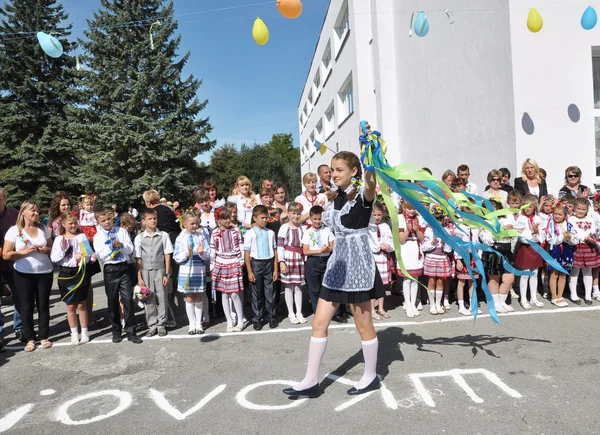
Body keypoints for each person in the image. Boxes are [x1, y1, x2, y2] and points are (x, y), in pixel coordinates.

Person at [282, 139, 381, 400]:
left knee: (364, 325)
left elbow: (370, 183)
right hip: (336, 267)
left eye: (339, 170)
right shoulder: (334, 199)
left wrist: (369, 150)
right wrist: (325, 197)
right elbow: (302, 219)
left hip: (358, 268)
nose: (333, 174)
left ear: (354, 172)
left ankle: (370, 376)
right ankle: (310, 381)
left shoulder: (363, 196)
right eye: (332, 170)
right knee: (319, 321)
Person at [3, 200, 53, 352]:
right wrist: (23, 252)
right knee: (26, 307)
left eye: (37, 211)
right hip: (23, 273)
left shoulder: (43, 228)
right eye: (32, 210)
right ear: (23, 212)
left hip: (44, 272)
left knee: (43, 305)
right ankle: (30, 338)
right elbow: (6, 254)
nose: (35, 213)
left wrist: (45, 249)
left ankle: (44, 336)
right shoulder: (14, 230)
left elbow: (51, 248)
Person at [93, 207, 142, 344]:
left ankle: (131, 331)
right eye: (103, 220)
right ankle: (116, 330)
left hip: (123, 266)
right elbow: (100, 255)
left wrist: (120, 246)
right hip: (110, 268)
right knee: (112, 300)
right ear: (98, 222)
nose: (107, 222)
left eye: (109, 219)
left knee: (127, 300)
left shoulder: (121, 231)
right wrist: (111, 247)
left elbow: (130, 249)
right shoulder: (98, 236)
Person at [50, 213, 95, 345]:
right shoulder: (59, 239)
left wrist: (83, 256)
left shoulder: (81, 237)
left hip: (80, 272)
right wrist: (64, 250)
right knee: (70, 306)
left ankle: (85, 332)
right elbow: (54, 259)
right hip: (66, 274)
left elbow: (88, 256)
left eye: (75, 223)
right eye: (70, 223)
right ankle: (74, 333)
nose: (73, 226)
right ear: (63, 224)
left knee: (82, 304)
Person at [134, 209, 173, 337]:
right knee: (149, 298)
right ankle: (152, 325)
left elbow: (167, 254)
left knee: (162, 297)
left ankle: (162, 324)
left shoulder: (163, 235)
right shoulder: (139, 238)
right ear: (144, 222)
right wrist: (139, 277)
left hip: (160, 270)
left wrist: (167, 274)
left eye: (155, 218)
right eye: (150, 219)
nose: (153, 221)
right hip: (146, 270)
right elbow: (138, 259)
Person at [173, 210, 210, 335]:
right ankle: (191, 324)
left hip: (198, 268)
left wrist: (201, 253)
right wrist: (186, 254)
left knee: (198, 296)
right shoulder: (180, 237)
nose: (194, 226)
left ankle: (199, 324)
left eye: (196, 223)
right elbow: (176, 256)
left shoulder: (201, 236)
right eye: (192, 224)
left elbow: (208, 254)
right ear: (184, 224)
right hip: (186, 269)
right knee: (189, 297)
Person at [210, 207, 245, 332]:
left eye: (229, 217)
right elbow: (213, 249)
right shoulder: (215, 233)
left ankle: (240, 320)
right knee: (224, 293)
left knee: (235, 293)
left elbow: (240, 244)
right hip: (220, 263)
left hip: (234, 261)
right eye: (224, 218)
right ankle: (229, 321)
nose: (227, 221)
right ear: (219, 220)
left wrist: (241, 260)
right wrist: (212, 265)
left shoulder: (235, 230)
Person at [244, 205, 279, 330]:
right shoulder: (249, 234)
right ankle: (257, 318)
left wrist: (276, 269)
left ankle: (271, 317)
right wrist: (249, 271)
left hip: (269, 263)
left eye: (266, 218)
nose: (264, 220)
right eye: (262, 218)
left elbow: (275, 252)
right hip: (256, 264)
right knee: (257, 293)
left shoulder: (270, 233)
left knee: (270, 292)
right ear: (255, 218)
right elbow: (247, 254)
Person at [480, 200, 516, 314]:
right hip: (493, 251)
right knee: (494, 277)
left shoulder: (506, 220)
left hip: (506, 251)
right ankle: (496, 303)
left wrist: (510, 232)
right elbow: (487, 240)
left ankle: (502, 301)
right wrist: (500, 232)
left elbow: (514, 237)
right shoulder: (484, 223)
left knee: (509, 278)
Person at [277, 202, 306, 325]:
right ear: (288, 213)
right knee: (288, 287)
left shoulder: (302, 227)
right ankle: (291, 312)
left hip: (299, 258)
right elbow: (280, 246)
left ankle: (299, 312)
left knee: (298, 286)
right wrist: (281, 262)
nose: (295, 216)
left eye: (298, 213)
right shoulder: (284, 227)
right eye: (293, 213)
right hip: (288, 257)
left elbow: (304, 244)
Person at [514, 195, 545, 309]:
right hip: (526, 248)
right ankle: (523, 299)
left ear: (534, 207)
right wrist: (532, 233)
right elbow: (520, 236)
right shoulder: (520, 219)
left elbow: (542, 235)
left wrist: (536, 232)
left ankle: (533, 298)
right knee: (525, 273)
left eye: (530, 206)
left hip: (535, 248)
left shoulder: (538, 218)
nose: (528, 209)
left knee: (535, 273)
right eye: (526, 206)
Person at [302, 205, 334, 314]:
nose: (317, 221)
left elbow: (332, 246)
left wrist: (327, 249)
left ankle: (330, 312)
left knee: (326, 287)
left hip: (326, 260)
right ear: (310, 219)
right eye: (315, 219)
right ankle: (317, 311)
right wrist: (319, 251)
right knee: (314, 288)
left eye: (319, 219)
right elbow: (305, 251)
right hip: (313, 261)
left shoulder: (327, 229)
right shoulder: (307, 232)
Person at [422, 207, 454, 315]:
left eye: (440, 220)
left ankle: (438, 303)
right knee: (431, 281)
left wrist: (445, 243)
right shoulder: (428, 231)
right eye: (436, 220)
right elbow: (424, 247)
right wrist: (432, 243)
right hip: (431, 257)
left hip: (442, 258)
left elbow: (449, 250)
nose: (438, 222)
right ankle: (432, 304)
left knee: (440, 281)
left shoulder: (445, 231)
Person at [568, 198, 600, 305]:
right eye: (578, 208)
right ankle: (574, 294)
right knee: (575, 271)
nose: (581, 211)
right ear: (574, 208)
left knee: (588, 271)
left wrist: (593, 235)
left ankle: (588, 295)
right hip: (577, 246)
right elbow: (574, 232)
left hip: (589, 247)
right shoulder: (571, 219)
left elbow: (593, 230)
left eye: (583, 209)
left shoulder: (590, 219)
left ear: (587, 209)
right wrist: (585, 237)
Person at [0, 187, 21, 342]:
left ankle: (20, 328)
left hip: (14, 261)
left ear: (5, 198)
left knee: (19, 295)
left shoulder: (14, 214)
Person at [398, 201, 425, 318]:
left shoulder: (419, 219)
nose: (412, 211)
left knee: (415, 279)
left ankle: (413, 304)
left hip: (416, 249)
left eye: (414, 208)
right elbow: (401, 239)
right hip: (405, 249)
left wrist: (417, 230)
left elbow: (422, 238)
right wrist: (408, 230)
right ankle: (407, 304)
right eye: (409, 208)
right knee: (407, 279)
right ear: (404, 208)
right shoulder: (400, 218)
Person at [546, 202, 575, 307]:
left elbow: (574, 237)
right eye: (555, 214)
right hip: (555, 250)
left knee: (563, 274)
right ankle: (554, 296)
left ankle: (560, 295)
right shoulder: (551, 225)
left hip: (567, 250)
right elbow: (550, 239)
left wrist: (569, 238)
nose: (557, 216)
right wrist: (562, 237)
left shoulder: (568, 225)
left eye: (560, 214)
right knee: (554, 274)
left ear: (565, 215)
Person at [368, 203, 393, 320]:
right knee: (373, 284)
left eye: (379, 215)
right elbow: (369, 243)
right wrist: (379, 246)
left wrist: (388, 246)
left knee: (382, 285)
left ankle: (381, 308)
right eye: (374, 214)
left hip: (383, 258)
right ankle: (372, 309)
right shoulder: (368, 227)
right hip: (373, 258)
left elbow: (391, 241)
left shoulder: (385, 226)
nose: (377, 217)